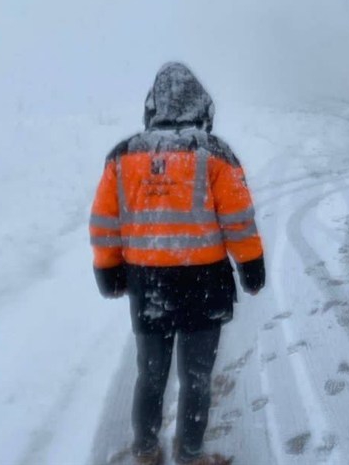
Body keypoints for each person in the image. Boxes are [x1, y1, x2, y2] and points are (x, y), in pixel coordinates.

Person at [89, 62, 265, 465]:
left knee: (150, 376)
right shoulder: (215, 154)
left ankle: (147, 451)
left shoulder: (124, 155)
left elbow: (104, 220)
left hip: (148, 284)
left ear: (153, 106)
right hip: (204, 283)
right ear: (201, 105)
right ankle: (189, 455)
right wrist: (251, 264)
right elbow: (238, 219)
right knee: (197, 378)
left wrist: (108, 268)